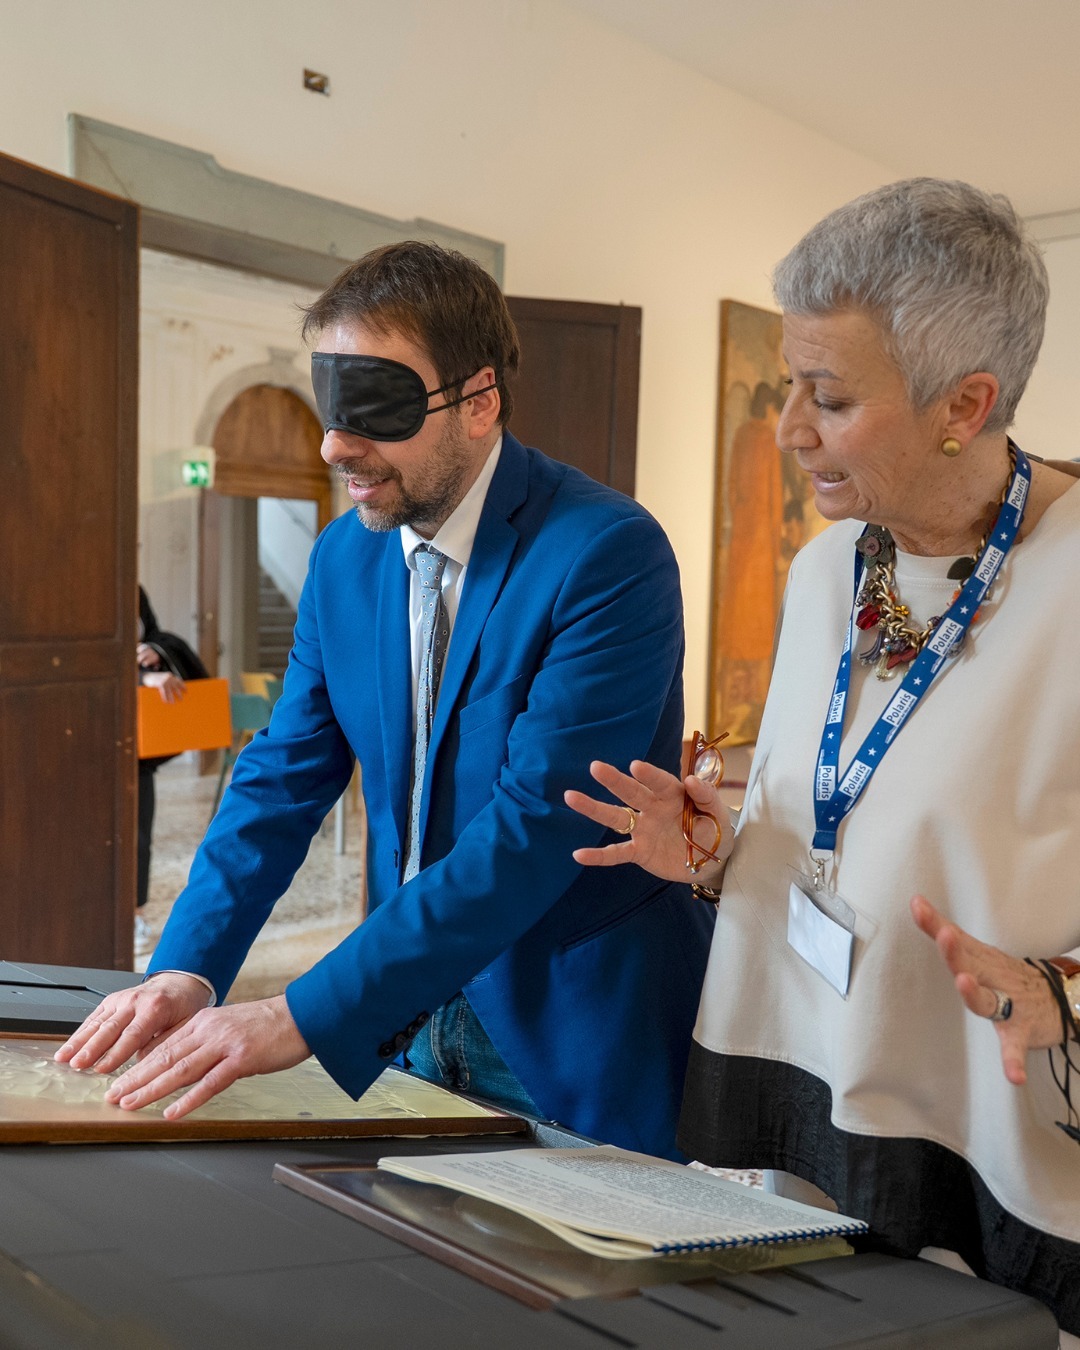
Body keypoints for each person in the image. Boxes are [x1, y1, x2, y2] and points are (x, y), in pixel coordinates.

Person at [58, 242, 715, 1159]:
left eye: (375, 405)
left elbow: (532, 827)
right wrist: (187, 970)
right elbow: (281, 780)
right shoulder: (343, 556)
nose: (334, 445)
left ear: (479, 401)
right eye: (332, 405)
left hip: (568, 1029)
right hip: (403, 1024)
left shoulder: (606, 553)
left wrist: (297, 1014)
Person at [566, 180, 1080, 1335]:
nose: (789, 428)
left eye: (831, 398)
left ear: (966, 404)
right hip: (795, 1098)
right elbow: (845, 815)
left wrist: (1060, 994)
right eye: (791, 385)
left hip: (981, 1135)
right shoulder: (825, 571)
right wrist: (720, 855)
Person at [135, 587, 206, 954]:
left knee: (138, 833)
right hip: (93, 732)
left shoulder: (134, 589)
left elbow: (155, 635)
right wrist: (139, 677)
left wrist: (154, 652)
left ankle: (134, 913)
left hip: (139, 744)